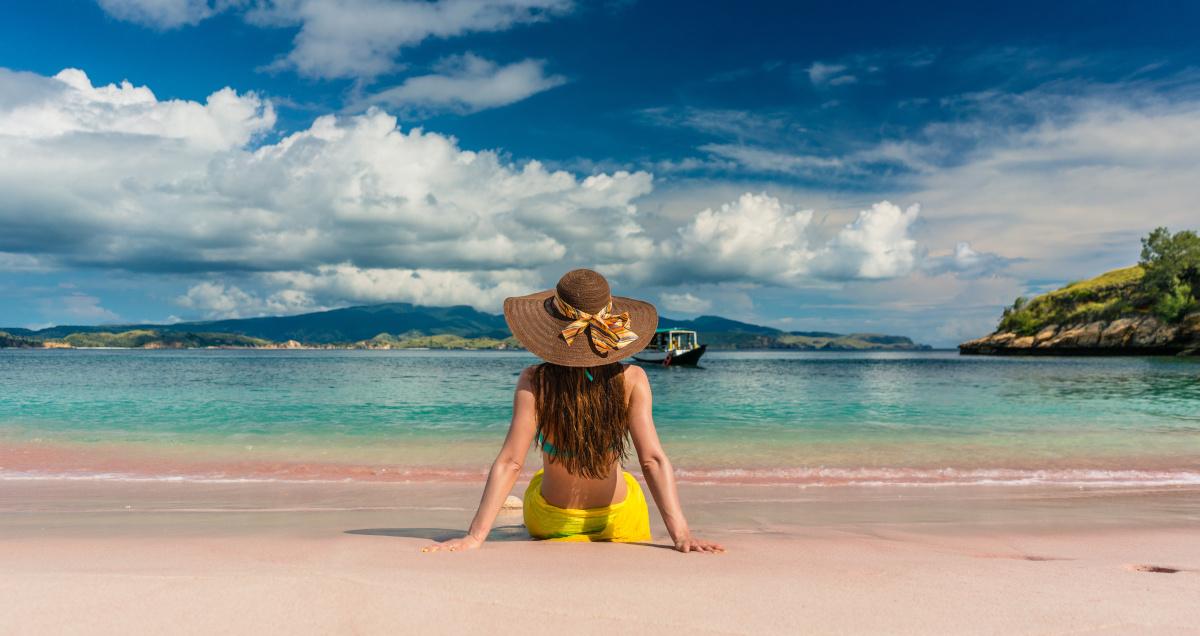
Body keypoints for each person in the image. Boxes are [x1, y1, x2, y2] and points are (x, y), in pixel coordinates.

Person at [422, 269, 724, 553]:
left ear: (553, 326)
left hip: (551, 521)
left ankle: (504, 510)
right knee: (628, 480)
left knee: (540, 477)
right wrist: (681, 534)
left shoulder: (535, 380)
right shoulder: (633, 379)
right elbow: (652, 461)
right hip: (617, 521)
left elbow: (511, 462)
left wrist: (475, 536)